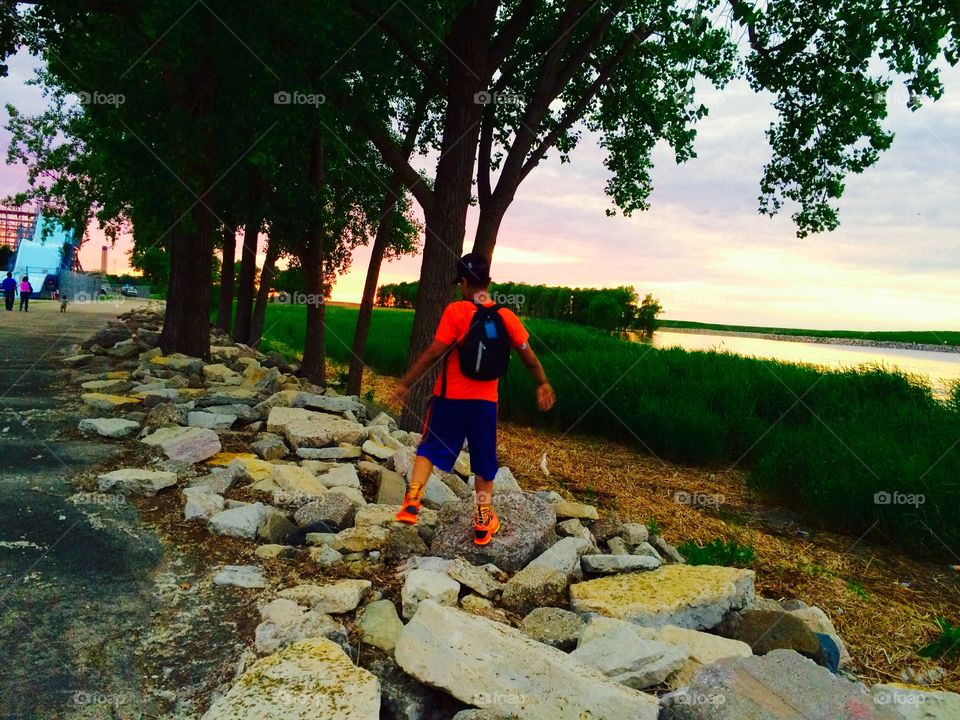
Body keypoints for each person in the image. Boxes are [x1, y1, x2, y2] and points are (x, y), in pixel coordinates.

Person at [390, 252, 556, 545]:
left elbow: (434, 353)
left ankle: (413, 500)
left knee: (429, 448)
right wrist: (542, 383)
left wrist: (406, 383)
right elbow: (528, 357)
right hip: (484, 404)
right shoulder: (506, 316)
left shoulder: (456, 311)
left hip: (448, 399)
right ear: (488, 281)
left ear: (464, 282)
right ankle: (482, 520)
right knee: (483, 461)